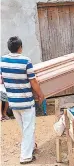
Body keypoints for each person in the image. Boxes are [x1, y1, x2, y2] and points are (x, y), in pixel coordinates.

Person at [1, 36, 44, 164]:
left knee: (24, 128)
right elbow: (33, 81)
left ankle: (31, 148)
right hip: (26, 102)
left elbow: (2, 79)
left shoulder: (2, 61)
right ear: (20, 48)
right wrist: (40, 94)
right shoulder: (26, 61)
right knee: (28, 128)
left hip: (13, 103)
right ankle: (25, 157)